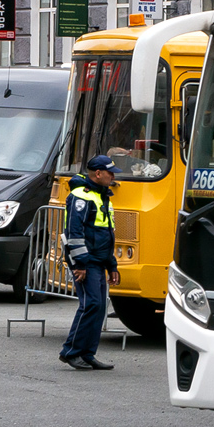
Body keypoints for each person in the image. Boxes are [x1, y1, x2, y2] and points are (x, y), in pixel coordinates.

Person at [58, 155, 121, 371]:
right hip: (87, 261)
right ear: (98, 174)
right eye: (110, 172)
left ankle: (87, 354)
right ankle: (71, 352)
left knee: (99, 307)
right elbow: (75, 233)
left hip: (98, 260)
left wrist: (112, 265)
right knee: (90, 305)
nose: (113, 176)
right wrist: (80, 264)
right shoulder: (81, 196)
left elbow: (107, 234)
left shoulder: (102, 196)